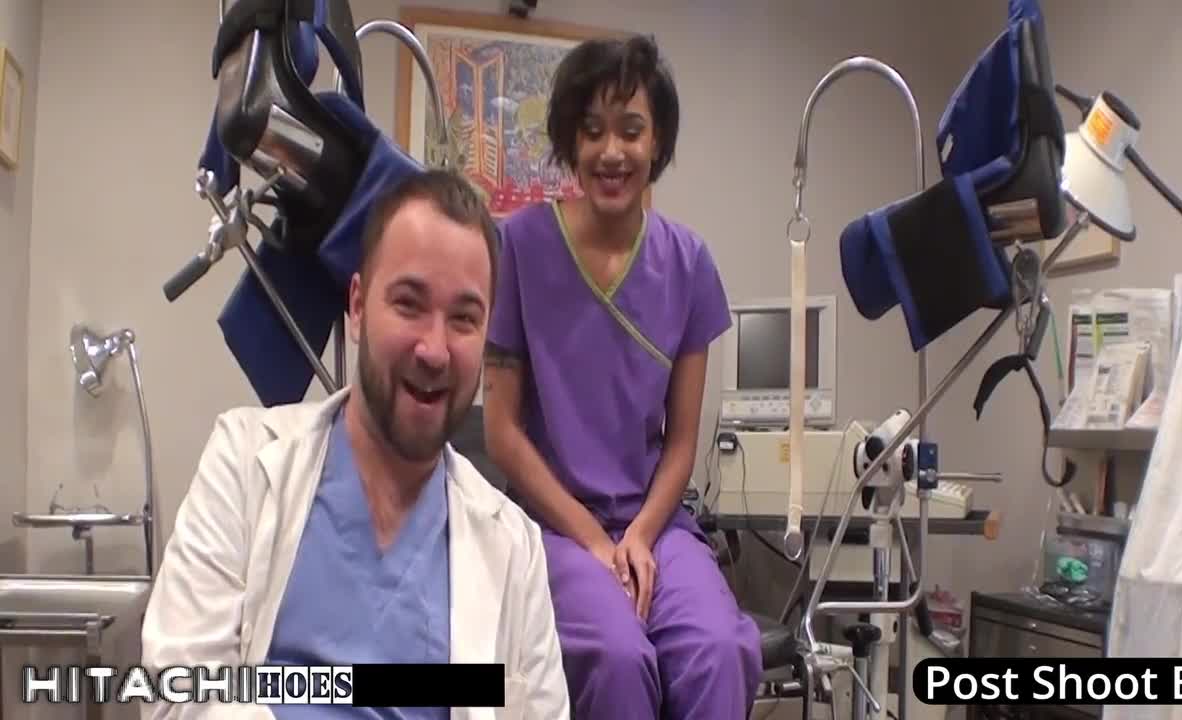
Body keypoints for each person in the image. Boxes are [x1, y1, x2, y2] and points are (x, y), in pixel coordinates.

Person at [141, 169, 571, 720]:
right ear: (359, 307)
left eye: (464, 318)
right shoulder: (244, 463)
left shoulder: (513, 548)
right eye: (409, 303)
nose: (435, 350)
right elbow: (176, 693)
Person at [483, 34, 763, 720]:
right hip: (554, 525)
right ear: (569, 141)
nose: (612, 151)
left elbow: (681, 442)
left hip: (655, 522)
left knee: (719, 649)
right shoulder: (519, 247)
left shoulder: (687, 262)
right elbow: (501, 432)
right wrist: (592, 539)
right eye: (592, 131)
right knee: (615, 655)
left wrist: (638, 536)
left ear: (657, 141)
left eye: (631, 131)